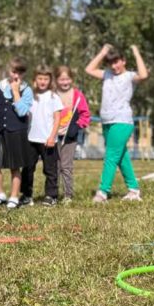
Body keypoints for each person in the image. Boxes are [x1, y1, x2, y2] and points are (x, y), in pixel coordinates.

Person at [85, 44, 149, 202]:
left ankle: (102, 192)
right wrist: (102, 52)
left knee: (111, 156)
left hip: (122, 120)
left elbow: (144, 74)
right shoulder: (107, 74)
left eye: (117, 62)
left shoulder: (129, 76)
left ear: (123, 61)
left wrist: (136, 52)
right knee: (121, 157)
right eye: (111, 63)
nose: (114, 66)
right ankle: (134, 190)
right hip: (107, 121)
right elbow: (89, 69)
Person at [0, 57, 33, 209]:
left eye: (20, 72)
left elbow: (22, 111)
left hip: (17, 132)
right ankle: (0, 193)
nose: (16, 75)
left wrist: (16, 92)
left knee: (15, 166)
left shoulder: (26, 90)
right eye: (13, 71)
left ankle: (14, 196)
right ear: (8, 71)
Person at [20, 64, 63, 206]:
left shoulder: (54, 97)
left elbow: (57, 119)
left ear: (50, 80)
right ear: (35, 79)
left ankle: (51, 196)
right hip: (30, 139)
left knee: (50, 170)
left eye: (46, 78)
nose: (43, 81)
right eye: (40, 78)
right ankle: (26, 195)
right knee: (27, 169)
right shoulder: (29, 96)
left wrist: (52, 137)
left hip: (48, 140)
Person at [53, 65, 91, 204]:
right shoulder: (52, 94)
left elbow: (85, 114)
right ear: (56, 80)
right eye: (61, 79)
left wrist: (77, 126)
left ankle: (68, 195)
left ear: (71, 79)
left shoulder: (78, 96)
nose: (65, 82)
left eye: (67, 79)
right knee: (54, 167)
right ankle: (52, 194)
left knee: (66, 166)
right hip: (53, 136)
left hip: (70, 137)